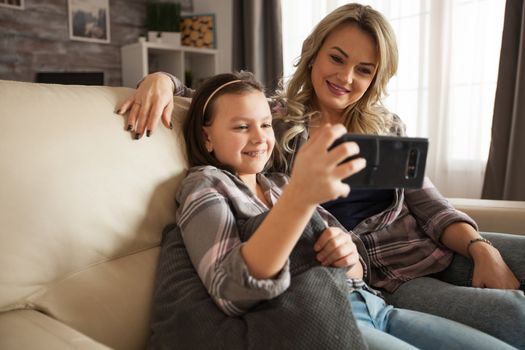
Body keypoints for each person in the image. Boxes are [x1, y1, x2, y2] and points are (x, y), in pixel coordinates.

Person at [118, 3, 525, 348]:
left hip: (422, 246)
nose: (346, 78)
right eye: (337, 58)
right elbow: (218, 102)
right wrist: (162, 79)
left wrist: (480, 247)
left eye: (364, 69)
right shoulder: (273, 122)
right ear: (314, 54)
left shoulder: (387, 125)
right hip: (378, 274)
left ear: (375, 78)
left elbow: (428, 204)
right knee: (513, 316)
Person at [163, 70, 515, 350]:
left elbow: (359, 269)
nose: (260, 138)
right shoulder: (207, 185)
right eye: (241, 127)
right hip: (331, 320)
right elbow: (231, 290)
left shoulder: (278, 183)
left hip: (376, 305)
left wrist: (349, 256)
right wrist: (164, 80)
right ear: (207, 136)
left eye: (266, 124)